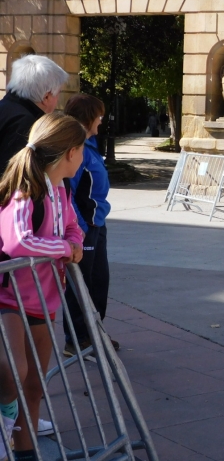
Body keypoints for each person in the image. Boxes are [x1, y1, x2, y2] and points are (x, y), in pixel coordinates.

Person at [0, 113, 85, 461]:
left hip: (45, 299)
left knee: (34, 385)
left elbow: (73, 227)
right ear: (69, 152)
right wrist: (66, 250)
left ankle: (26, 451)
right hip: (10, 297)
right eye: (82, 149)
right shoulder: (25, 191)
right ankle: (5, 426)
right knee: (13, 373)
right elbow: (20, 243)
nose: (83, 157)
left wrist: (73, 240)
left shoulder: (60, 189)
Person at [62, 94, 120, 357]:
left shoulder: (91, 145)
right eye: (99, 114)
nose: (102, 119)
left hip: (97, 223)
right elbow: (67, 192)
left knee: (98, 281)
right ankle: (77, 339)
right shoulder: (75, 148)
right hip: (85, 226)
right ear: (88, 118)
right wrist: (78, 226)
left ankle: (94, 331)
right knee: (80, 284)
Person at [0, 55, 68, 174]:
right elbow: (13, 177)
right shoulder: (27, 124)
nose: (58, 99)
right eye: (58, 93)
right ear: (46, 97)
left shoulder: (5, 108)